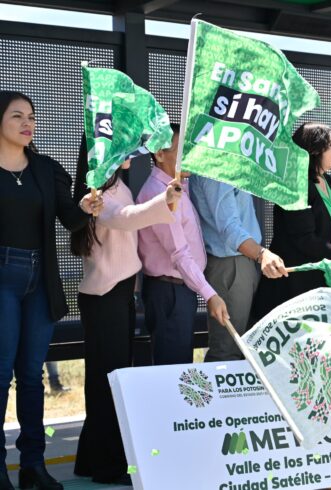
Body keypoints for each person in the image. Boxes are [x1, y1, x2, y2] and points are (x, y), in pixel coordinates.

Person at [0, 91, 100, 490]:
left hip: (40, 279)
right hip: (2, 277)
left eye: (32, 116)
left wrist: (87, 206)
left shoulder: (45, 169)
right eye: (17, 116)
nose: (28, 123)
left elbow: (70, 220)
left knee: (31, 374)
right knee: (0, 373)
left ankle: (33, 466)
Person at [71, 142, 180, 483]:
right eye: (124, 145)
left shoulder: (116, 185)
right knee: (108, 382)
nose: (133, 152)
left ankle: (90, 460)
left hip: (116, 294)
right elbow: (126, 218)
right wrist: (164, 201)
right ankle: (108, 466)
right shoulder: (97, 195)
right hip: (105, 296)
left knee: (104, 380)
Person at [137, 124, 229, 365]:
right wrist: (210, 295)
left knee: (179, 366)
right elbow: (179, 253)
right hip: (170, 291)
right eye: (181, 150)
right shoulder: (159, 194)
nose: (189, 155)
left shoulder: (176, 186)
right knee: (174, 370)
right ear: (159, 154)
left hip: (179, 289)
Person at [251, 123, 331, 322]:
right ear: (315, 150)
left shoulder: (327, 180)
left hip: (324, 274)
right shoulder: (295, 184)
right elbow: (304, 239)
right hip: (297, 284)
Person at [190, 171, 287, 362]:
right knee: (227, 350)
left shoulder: (226, 165)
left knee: (243, 348)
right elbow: (230, 229)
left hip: (240, 261)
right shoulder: (216, 169)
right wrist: (262, 254)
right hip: (231, 264)